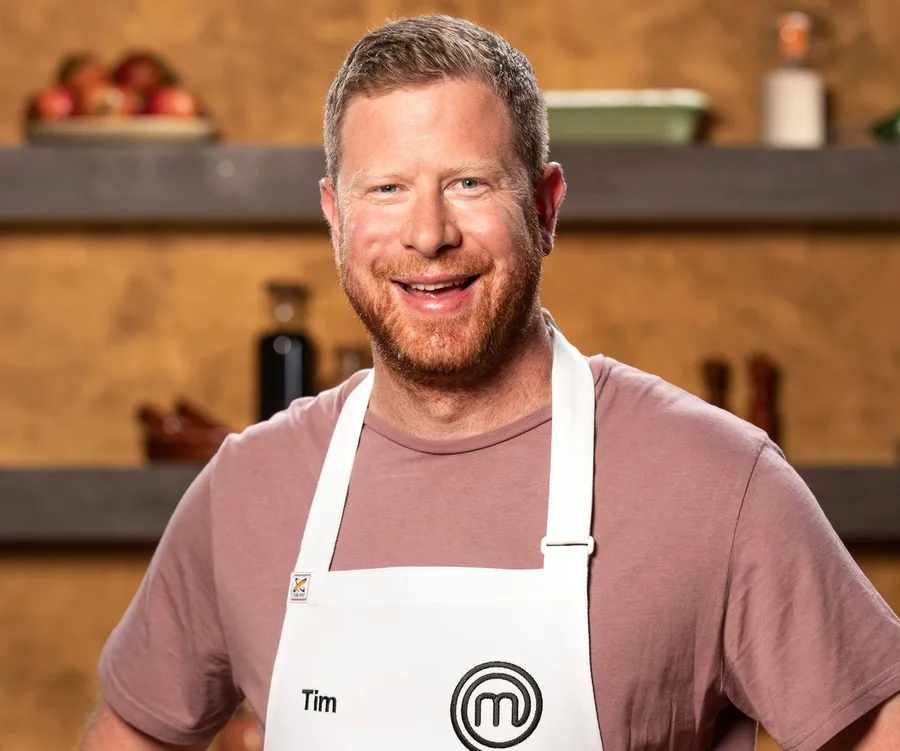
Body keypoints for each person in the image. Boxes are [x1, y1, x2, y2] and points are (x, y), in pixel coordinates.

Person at [80, 15, 900, 751]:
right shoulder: (248, 489)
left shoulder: (718, 483)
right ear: (336, 218)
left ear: (544, 207)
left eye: (469, 183)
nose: (429, 233)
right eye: (387, 189)